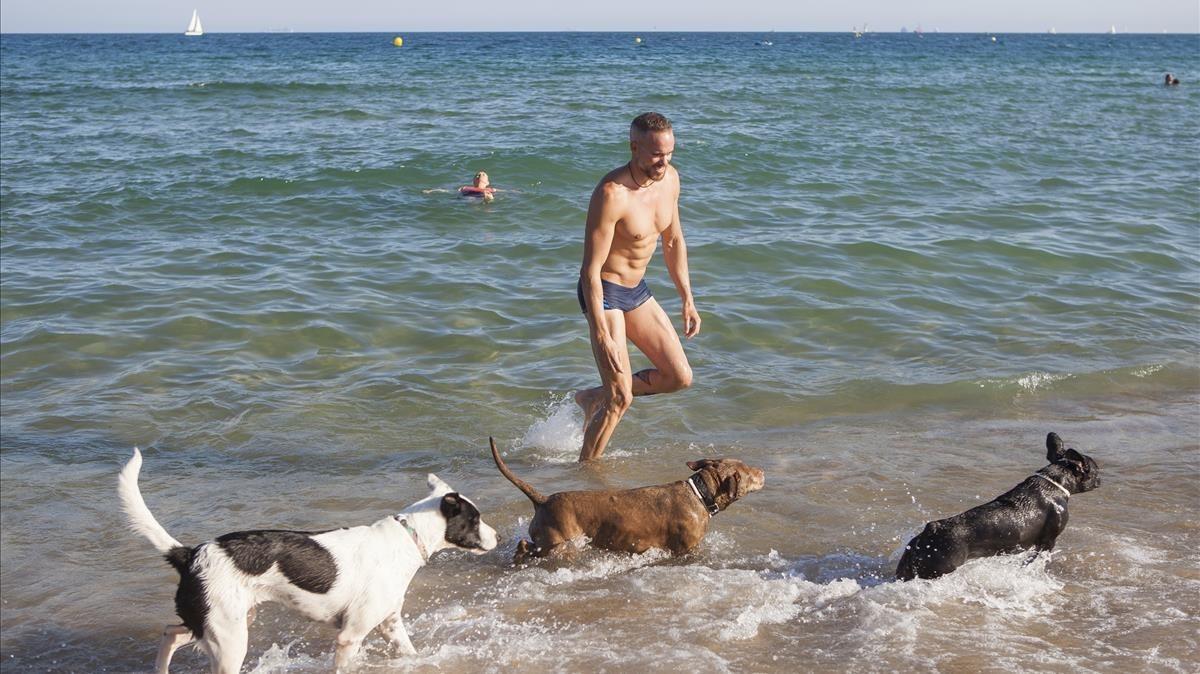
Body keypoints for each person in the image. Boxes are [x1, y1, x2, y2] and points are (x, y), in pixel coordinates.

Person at [573, 112, 700, 462]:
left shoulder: (671, 180)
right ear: (634, 147)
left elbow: (673, 241)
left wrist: (687, 298)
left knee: (678, 376)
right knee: (621, 398)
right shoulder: (612, 193)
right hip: (605, 289)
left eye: (670, 154)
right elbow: (590, 271)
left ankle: (591, 397)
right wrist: (601, 335)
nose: (664, 162)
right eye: (656, 154)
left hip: (636, 289)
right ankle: (583, 480)